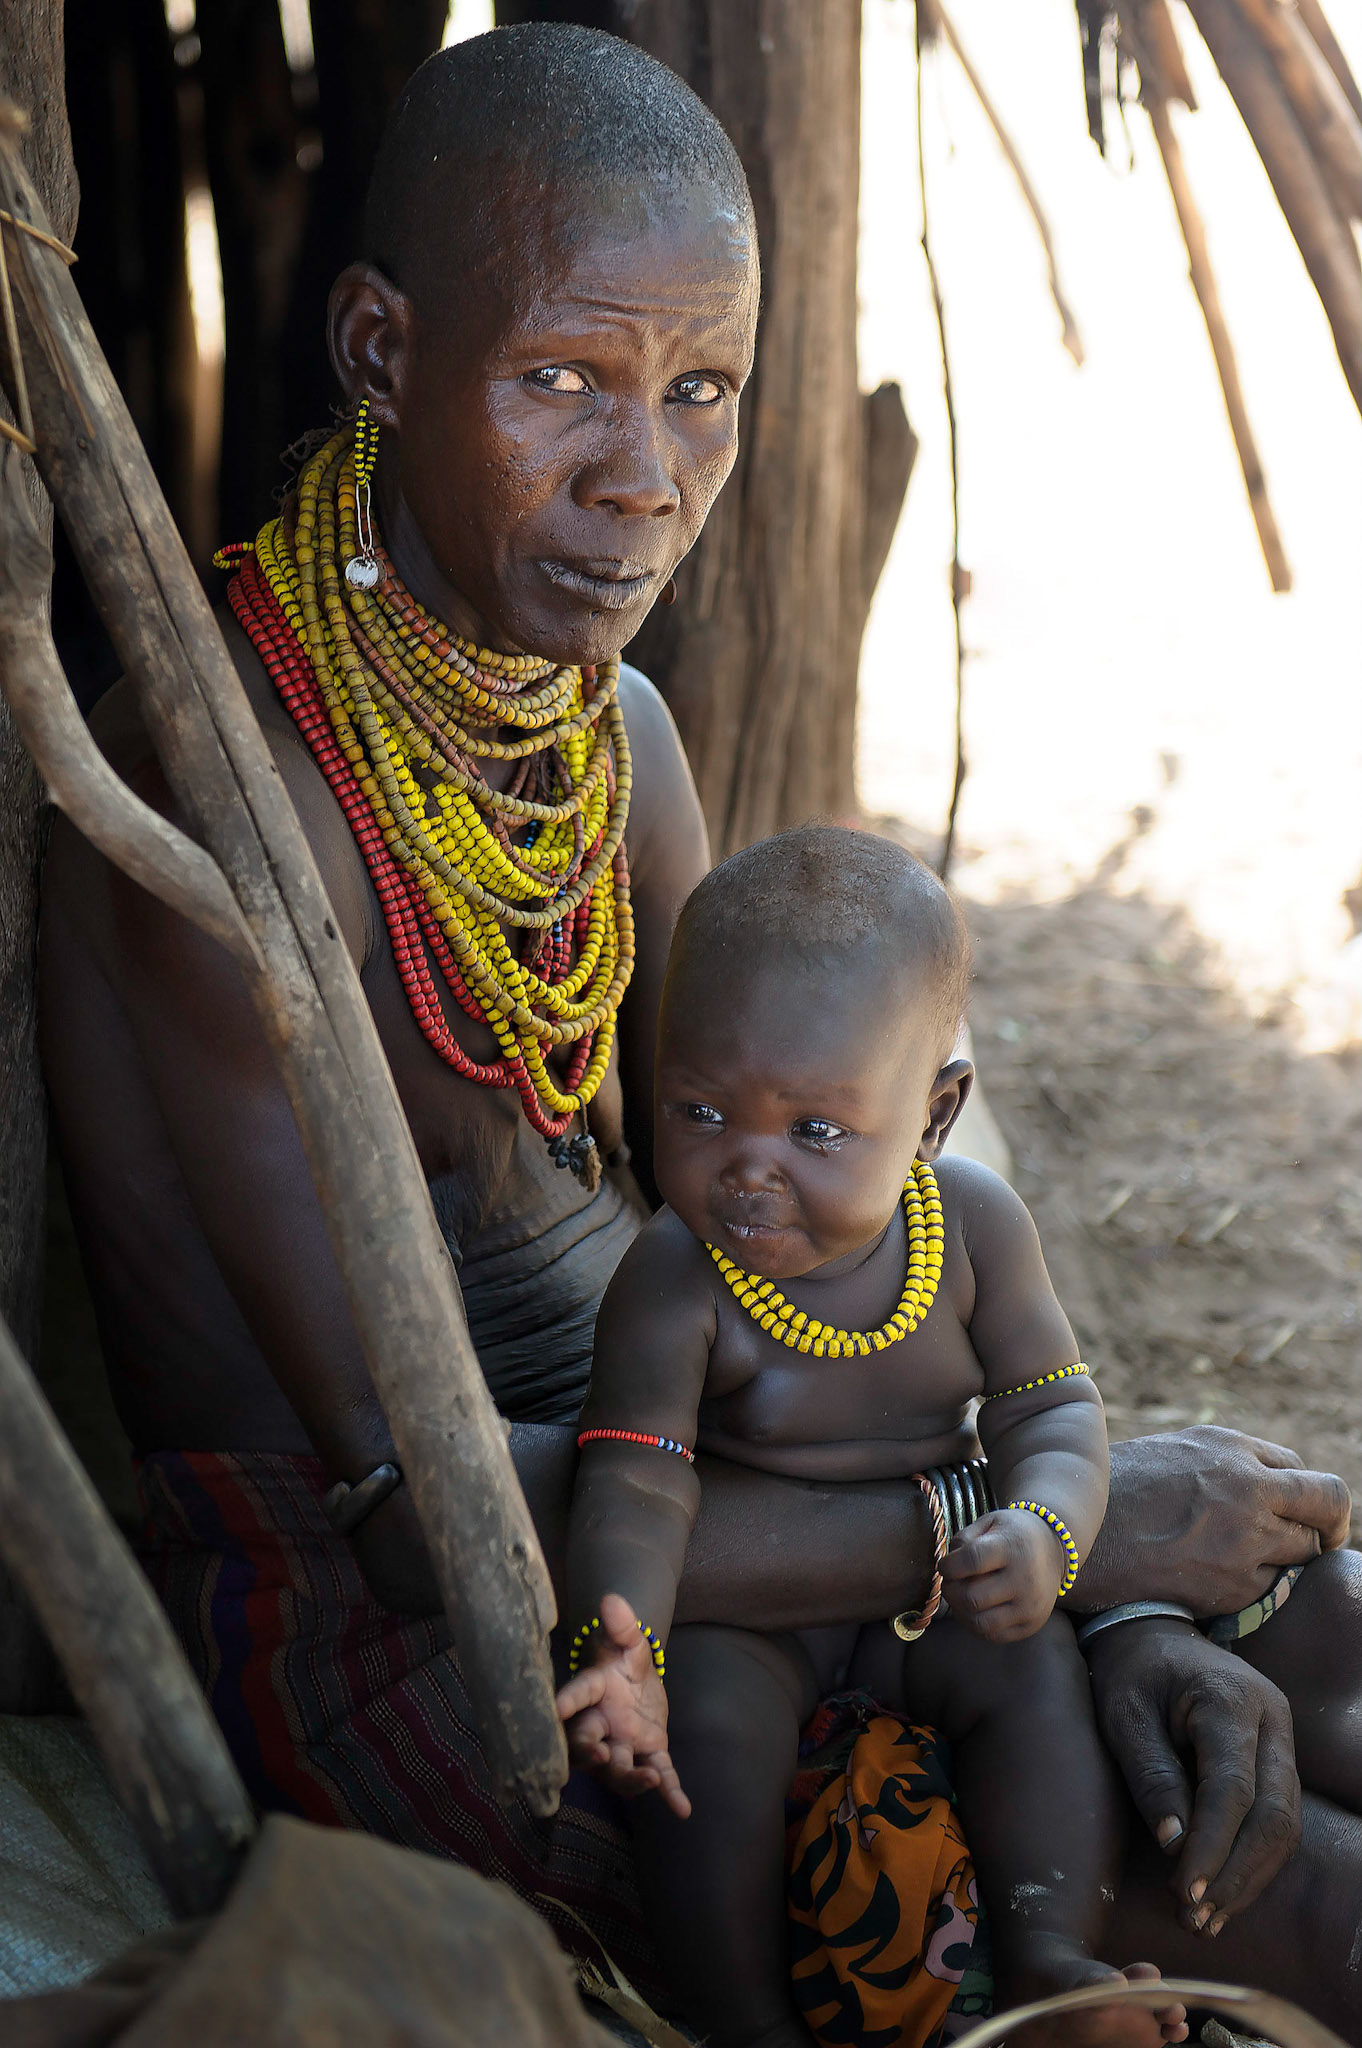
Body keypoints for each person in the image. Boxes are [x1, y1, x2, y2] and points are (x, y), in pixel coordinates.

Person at [37, 22, 1362, 2038]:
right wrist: (1018, 1557)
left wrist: (1121, 1573)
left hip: (742, 1478)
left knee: (1314, 1644)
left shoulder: (617, 733)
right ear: (382, 351)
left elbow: (807, 1253)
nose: (644, 476)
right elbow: (433, 1539)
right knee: (1287, 1891)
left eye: (704, 392)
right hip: (479, 1648)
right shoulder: (225, 801)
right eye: (562, 379)